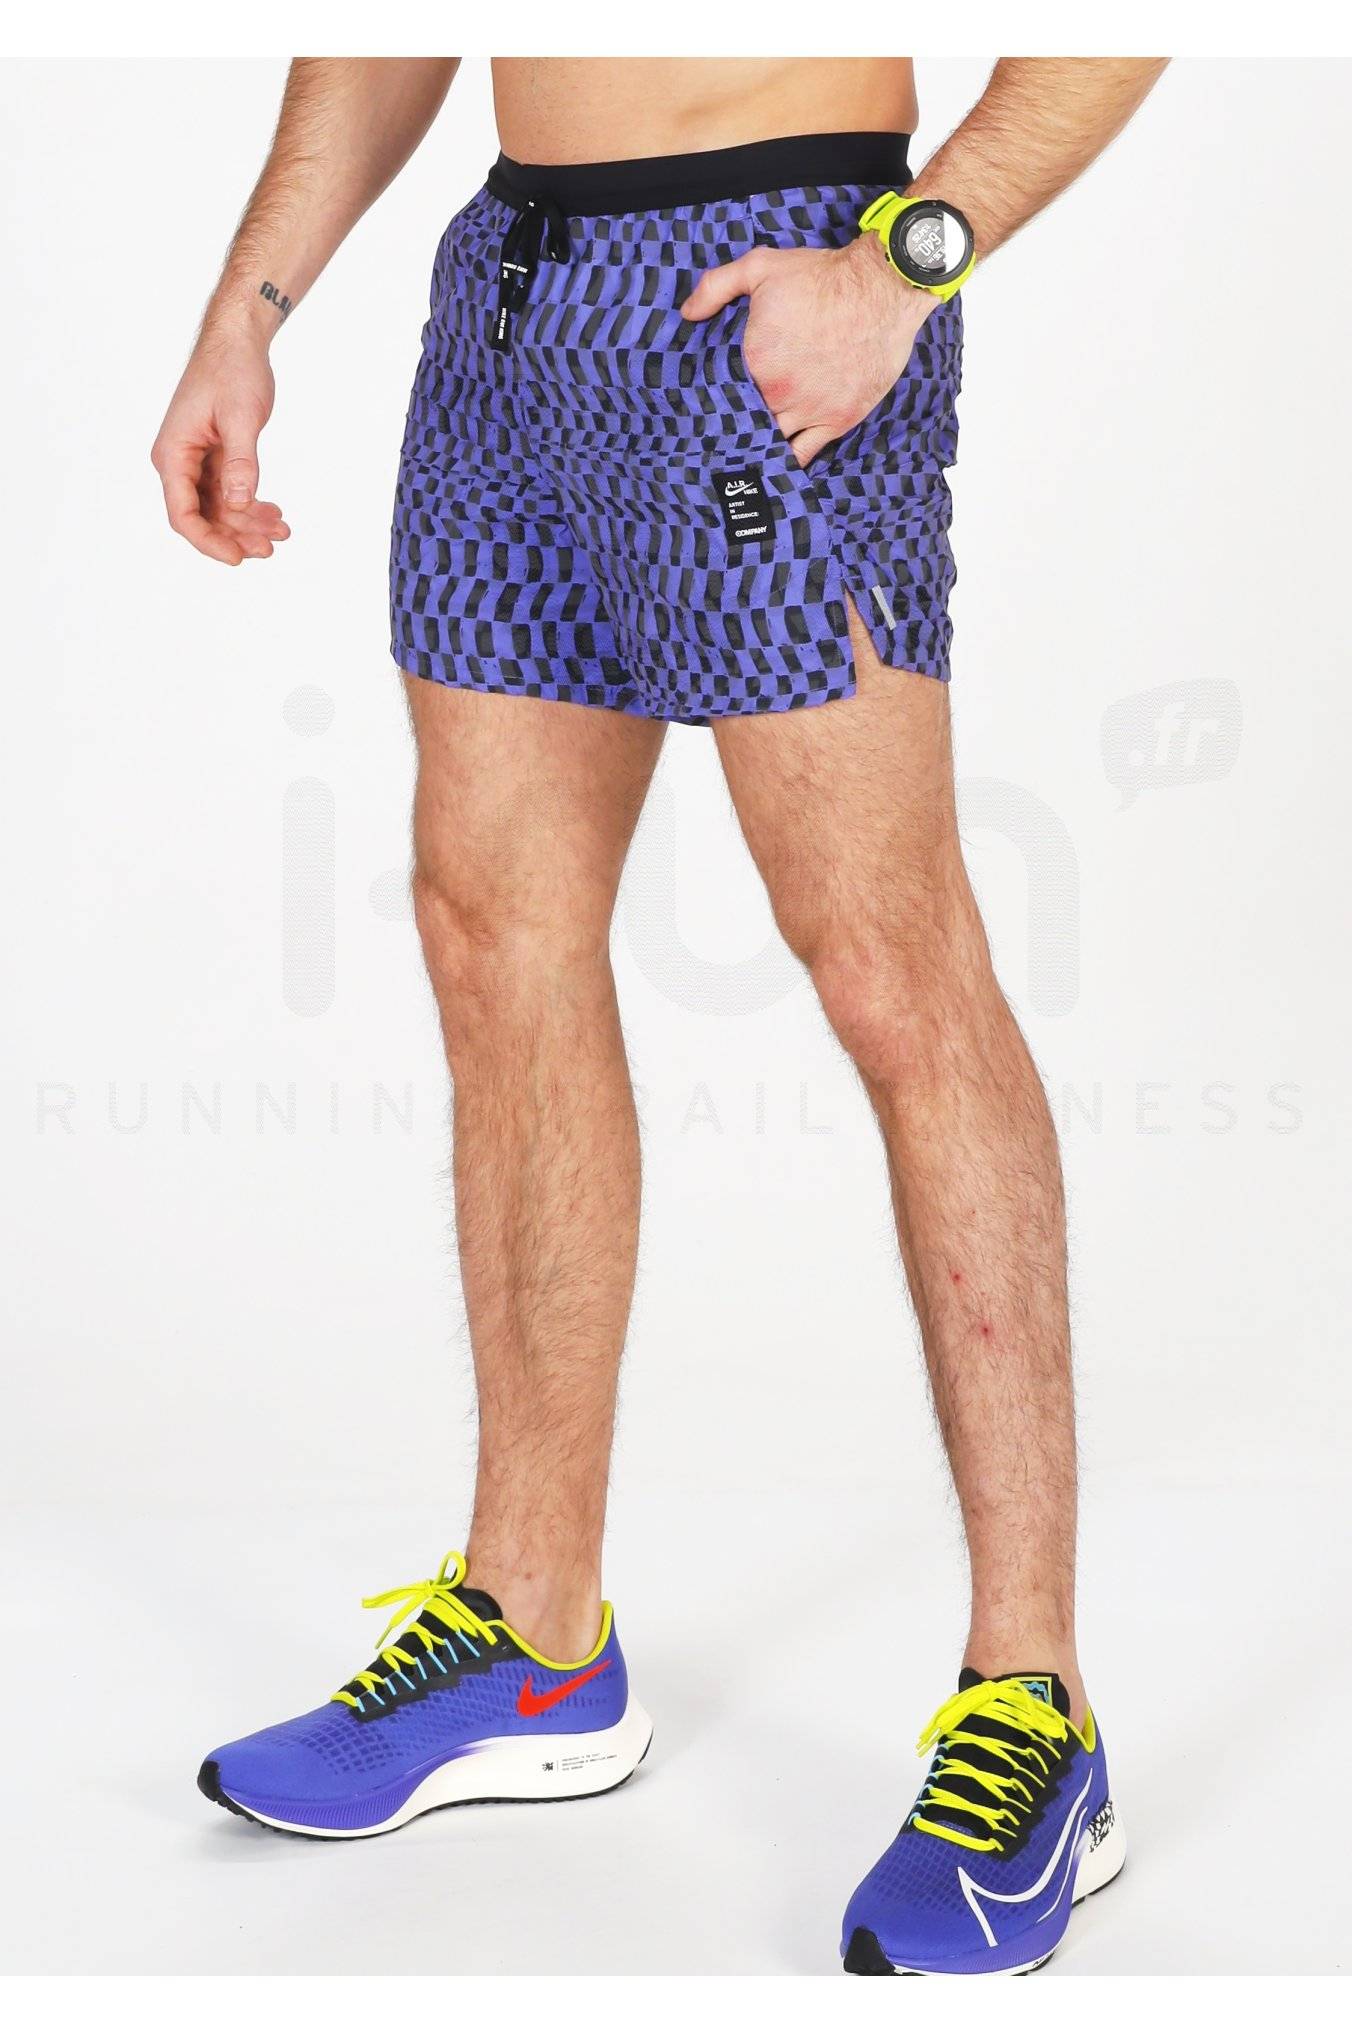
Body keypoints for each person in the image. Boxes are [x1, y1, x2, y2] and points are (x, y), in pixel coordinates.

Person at [153, 56, 1165, 1974]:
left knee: (889, 964)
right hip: (512, 312)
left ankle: (1037, 1708)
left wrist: (910, 259)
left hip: (776, 283)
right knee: (489, 931)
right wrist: (248, 300)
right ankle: (535, 1633)